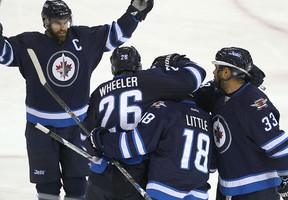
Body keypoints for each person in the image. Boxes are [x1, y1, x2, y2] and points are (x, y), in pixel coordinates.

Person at [0, 0, 153, 200]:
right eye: (56, 23)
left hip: (78, 128)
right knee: (47, 187)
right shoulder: (30, 44)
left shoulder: (84, 39)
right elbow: (4, 53)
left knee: (78, 185)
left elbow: (115, 33)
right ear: (45, 22)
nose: (62, 27)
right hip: (40, 130)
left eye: (65, 22)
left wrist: (134, 12)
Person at [82, 46, 207, 200]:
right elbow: (195, 76)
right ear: (139, 66)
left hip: (100, 175)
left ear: (113, 68)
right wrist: (174, 59)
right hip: (135, 174)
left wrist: (99, 147)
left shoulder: (99, 92)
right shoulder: (151, 81)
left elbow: (85, 136)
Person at [193, 47, 288, 200]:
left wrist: (286, 181)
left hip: (258, 191)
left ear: (226, 73)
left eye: (216, 68)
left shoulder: (253, 104)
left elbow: (279, 147)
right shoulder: (220, 96)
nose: (213, 72)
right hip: (229, 187)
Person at [88, 96, 213, 200]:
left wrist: (102, 141)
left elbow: (136, 144)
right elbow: (212, 166)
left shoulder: (165, 109)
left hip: (165, 190)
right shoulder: (208, 119)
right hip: (199, 193)